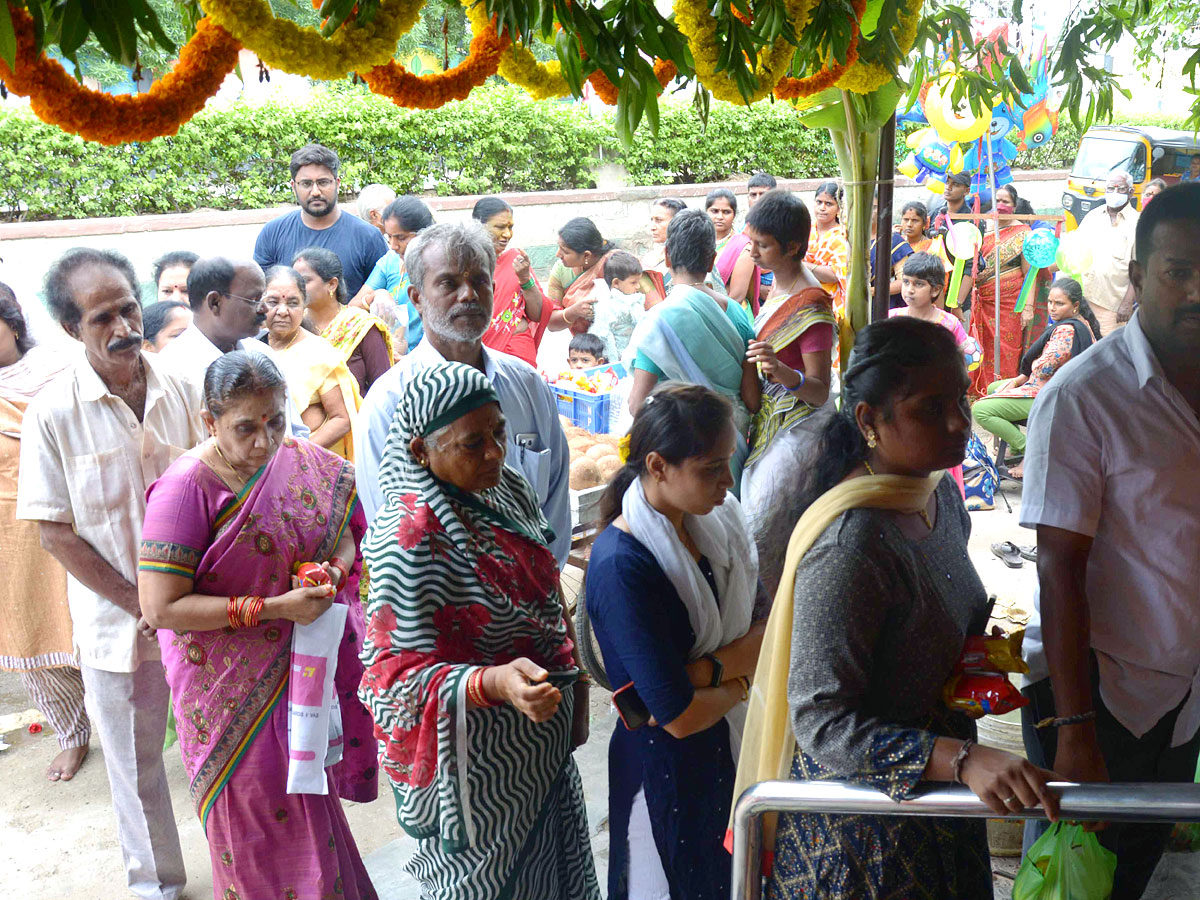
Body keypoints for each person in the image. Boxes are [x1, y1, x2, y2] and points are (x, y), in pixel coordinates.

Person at [734, 317, 1059, 899]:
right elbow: (821, 723)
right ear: (869, 422)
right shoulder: (854, 544)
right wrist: (960, 759)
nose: (960, 421)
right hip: (865, 839)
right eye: (929, 409)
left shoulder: (941, 498)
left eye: (960, 398)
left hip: (939, 810)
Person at [138, 352, 378, 900]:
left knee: (310, 812)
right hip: (228, 701)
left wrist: (332, 572)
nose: (265, 442)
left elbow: (343, 524)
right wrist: (274, 609)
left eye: (275, 420)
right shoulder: (186, 489)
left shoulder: (298, 460)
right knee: (253, 834)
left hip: (301, 684)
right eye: (246, 428)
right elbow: (160, 607)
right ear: (210, 422)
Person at [358, 361, 599, 900]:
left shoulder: (505, 488)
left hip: (541, 741)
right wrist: (494, 683)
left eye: (499, 433)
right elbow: (391, 682)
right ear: (422, 451)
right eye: (474, 443)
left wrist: (574, 680)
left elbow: (543, 591)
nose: (495, 452)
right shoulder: (409, 539)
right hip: (476, 770)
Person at [1019, 184, 1200, 898]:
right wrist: (1075, 729)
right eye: (1178, 271)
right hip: (1095, 696)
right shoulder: (1084, 398)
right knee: (1072, 884)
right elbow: (1058, 566)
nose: (1196, 292)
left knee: (1132, 876)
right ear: (1137, 277)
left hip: (1181, 697)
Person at [17, 247, 203, 900]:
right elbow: (56, 533)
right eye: (103, 316)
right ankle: (156, 884)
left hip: (206, 616)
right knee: (134, 764)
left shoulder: (184, 386)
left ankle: (247, 863)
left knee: (221, 752)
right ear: (72, 329)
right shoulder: (53, 413)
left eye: (128, 306)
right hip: (114, 626)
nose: (124, 324)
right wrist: (141, 603)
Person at [585, 383, 765, 900]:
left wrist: (706, 673)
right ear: (658, 466)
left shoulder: (714, 526)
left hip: (722, 757)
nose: (727, 483)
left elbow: (766, 627)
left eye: (728, 462)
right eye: (711, 468)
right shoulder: (623, 566)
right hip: (664, 774)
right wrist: (744, 678)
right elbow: (679, 717)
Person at [355, 222, 572, 566]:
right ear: (417, 298)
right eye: (449, 283)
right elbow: (391, 537)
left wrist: (536, 590)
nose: (468, 294)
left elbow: (556, 506)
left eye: (479, 281)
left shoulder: (528, 386)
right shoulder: (388, 404)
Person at [0, 286, 90, 783]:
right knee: (30, 634)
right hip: (6, 538)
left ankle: (129, 726)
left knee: (91, 626)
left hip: (68, 518)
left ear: (13, 323)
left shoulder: (61, 370)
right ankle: (72, 735)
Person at [628, 210, 761, 495]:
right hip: (730, 448)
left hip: (681, 460)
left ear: (666, 257)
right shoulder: (738, 314)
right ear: (712, 260)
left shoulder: (659, 323)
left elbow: (636, 405)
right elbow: (752, 400)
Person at [740, 191, 835, 577]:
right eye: (751, 243)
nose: (752, 253)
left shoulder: (811, 304)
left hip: (799, 432)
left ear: (793, 246)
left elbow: (819, 389)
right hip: (773, 425)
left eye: (762, 245)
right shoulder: (778, 286)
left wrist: (780, 371)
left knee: (761, 532)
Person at [162, 256, 310, 439]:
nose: (264, 309)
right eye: (254, 300)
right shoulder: (172, 373)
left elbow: (295, 435)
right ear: (215, 302)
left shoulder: (263, 354)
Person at [972, 277, 1099, 478]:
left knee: (980, 410)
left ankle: (1029, 450)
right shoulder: (1081, 322)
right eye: (1050, 302)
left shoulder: (1067, 331)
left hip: (1054, 397)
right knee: (994, 387)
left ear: (1075, 305)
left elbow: (1042, 369)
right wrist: (1018, 380)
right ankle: (1015, 446)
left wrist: (1031, 367)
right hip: (1056, 389)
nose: (1052, 308)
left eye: (1059, 304)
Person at [253, 144, 388, 297]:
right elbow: (259, 295)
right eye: (306, 184)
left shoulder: (368, 236)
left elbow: (385, 293)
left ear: (337, 183)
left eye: (323, 182)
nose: (315, 192)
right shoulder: (273, 233)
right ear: (293, 186)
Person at [260, 265, 358, 457]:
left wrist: (296, 455)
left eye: (293, 303)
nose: (282, 311)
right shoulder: (251, 346)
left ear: (304, 305)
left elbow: (342, 419)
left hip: (304, 464)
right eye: (273, 302)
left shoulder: (320, 353)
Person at [967, 182, 1045, 397]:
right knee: (981, 347)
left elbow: (1031, 274)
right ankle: (980, 393)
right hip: (984, 300)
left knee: (1007, 349)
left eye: (1006, 202)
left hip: (1010, 304)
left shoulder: (1024, 233)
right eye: (998, 201)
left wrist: (1028, 307)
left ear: (1014, 205)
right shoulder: (985, 228)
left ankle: (1004, 394)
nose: (1001, 205)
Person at [293, 246, 395, 397]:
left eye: (305, 281)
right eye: (295, 281)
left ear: (332, 284)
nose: (298, 288)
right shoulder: (294, 326)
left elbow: (383, 391)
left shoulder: (361, 326)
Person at [473, 196, 556, 367]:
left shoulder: (515, 261)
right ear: (477, 227)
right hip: (481, 356)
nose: (507, 234)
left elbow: (537, 314)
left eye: (510, 227)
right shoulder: (463, 265)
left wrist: (525, 279)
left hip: (520, 354)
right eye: (500, 227)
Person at [352, 195, 435, 352]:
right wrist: (377, 295)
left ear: (425, 233)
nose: (393, 245)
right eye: (389, 237)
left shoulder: (442, 265)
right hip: (392, 359)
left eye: (401, 238)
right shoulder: (390, 261)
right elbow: (352, 309)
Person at [1075, 170, 1139, 336]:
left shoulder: (1137, 223)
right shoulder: (1093, 217)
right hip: (1084, 299)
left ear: (1131, 192)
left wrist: (1127, 302)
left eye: (1121, 189)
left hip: (1113, 305)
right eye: (1110, 188)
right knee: (1083, 349)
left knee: (1106, 353)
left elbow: (1141, 268)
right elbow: (1074, 252)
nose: (1115, 193)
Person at [641, 197, 721, 302]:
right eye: (652, 220)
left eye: (659, 220)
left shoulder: (696, 258)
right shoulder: (651, 257)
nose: (652, 227)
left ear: (678, 222)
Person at [548, 217, 620, 334]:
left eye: (565, 251)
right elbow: (551, 322)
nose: (558, 254)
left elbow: (652, 307)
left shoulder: (618, 264)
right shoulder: (561, 270)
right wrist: (573, 312)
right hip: (585, 348)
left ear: (586, 255)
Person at [706, 188, 761, 315]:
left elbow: (736, 298)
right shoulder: (699, 241)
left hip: (731, 315)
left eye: (726, 212)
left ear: (734, 215)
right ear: (706, 212)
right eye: (714, 211)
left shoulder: (743, 246)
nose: (720, 217)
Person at [589, 249, 646, 363]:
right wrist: (614, 361)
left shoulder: (635, 300)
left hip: (636, 354)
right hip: (615, 356)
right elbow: (604, 335)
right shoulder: (605, 304)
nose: (638, 286)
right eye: (633, 282)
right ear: (616, 283)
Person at [804, 181, 850, 317]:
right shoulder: (804, 230)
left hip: (830, 303)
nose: (822, 208)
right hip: (802, 297)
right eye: (819, 202)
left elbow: (835, 275)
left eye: (828, 204)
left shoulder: (842, 236)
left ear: (838, 208)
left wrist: (805, 266)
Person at [869, 196, 915, 310]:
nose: (868, 211)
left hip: (878, 306)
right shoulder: (845, 237)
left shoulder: (893, 240)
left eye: (874, 207)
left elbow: (904, 280)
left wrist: (873, 291)